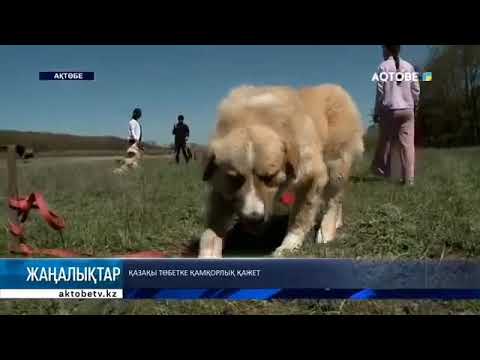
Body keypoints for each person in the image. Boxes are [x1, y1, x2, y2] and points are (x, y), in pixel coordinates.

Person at [371, 45, 420, 186]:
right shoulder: (409, 66)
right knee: (407, 146)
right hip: (407, 110)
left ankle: (383, 173)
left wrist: (376, 111)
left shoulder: (383, 67)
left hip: (389, 110)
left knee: (385, 143)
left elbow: (380, 93)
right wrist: (415, 105)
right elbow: (416, 89)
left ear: (387, 49)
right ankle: (409, 180)